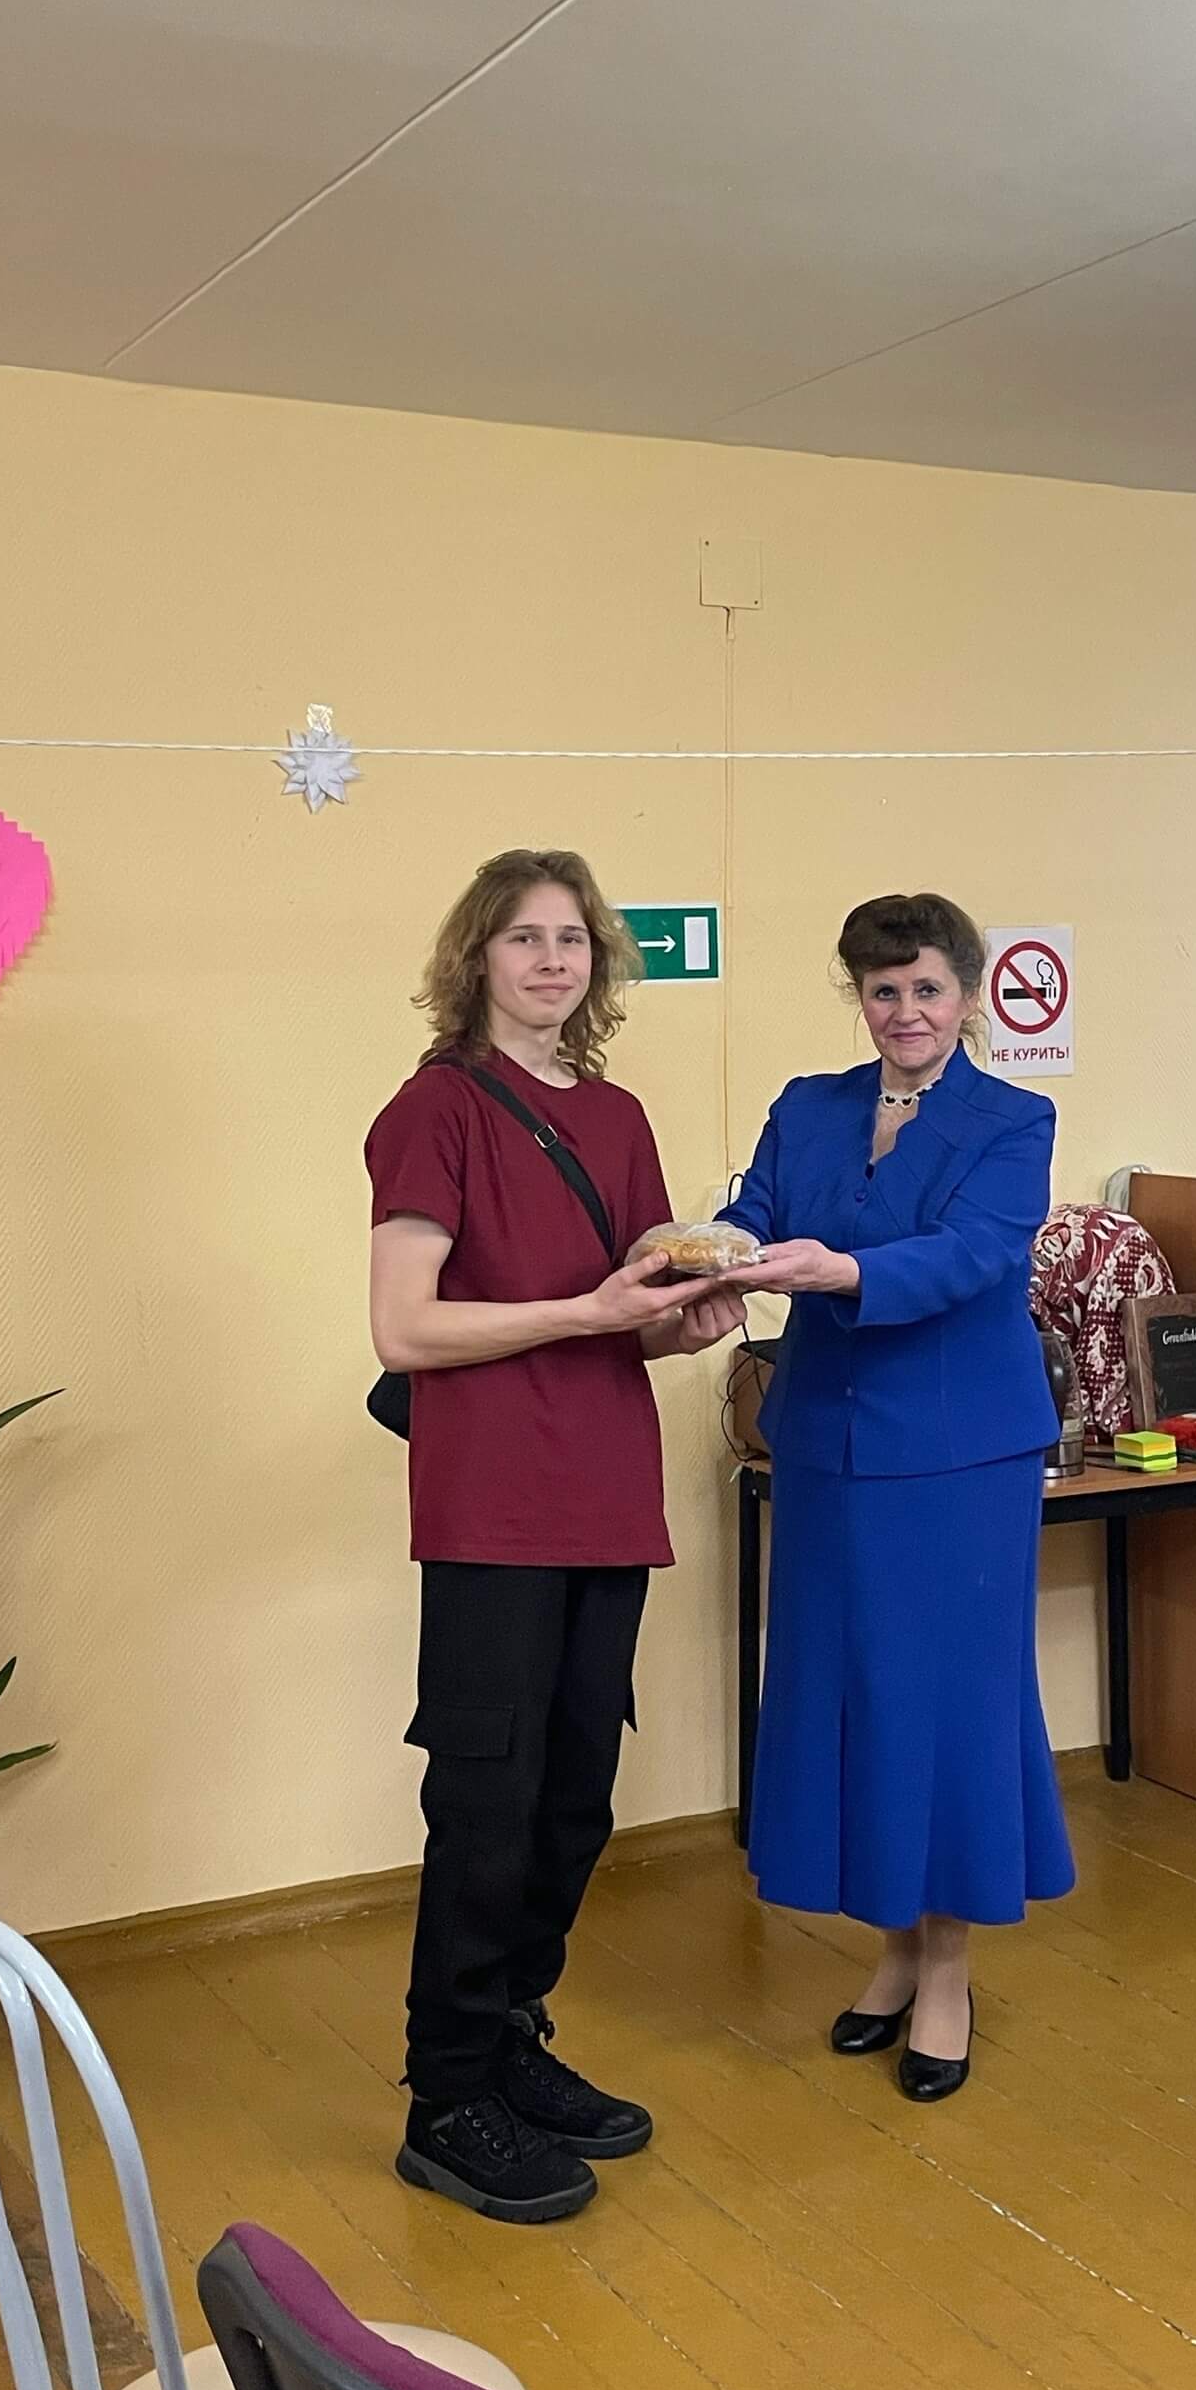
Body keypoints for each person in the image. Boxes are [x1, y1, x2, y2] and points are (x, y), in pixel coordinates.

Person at [366, 849, 742, 2223]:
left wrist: (687, 1319)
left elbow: (630, 1312)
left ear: (599, 961)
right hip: (490, 1506)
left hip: (604, 1497)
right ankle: (446, 2097)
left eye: (572, 939)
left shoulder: (619, 1116)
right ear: (476, 956)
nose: (550, 961)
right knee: (487, 1802)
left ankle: (513, 2036)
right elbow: (404, 1327)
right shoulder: (436, 1109)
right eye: (523, 938)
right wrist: (589, 1314)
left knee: (576, 1794)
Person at [719, 892, 1074, 2101]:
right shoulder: (807, 1107)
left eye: (926, 989)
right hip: (828, 1440)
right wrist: (712, 1252)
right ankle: (894, 1947)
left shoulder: (1012, 1119)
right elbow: (757, 1213)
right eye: (883, 991)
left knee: (951, 1704)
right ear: (859, 998)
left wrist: (839, 1270)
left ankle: (948, 1972)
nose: (905, 1011)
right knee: (859, 1693)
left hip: (962, 1454)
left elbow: (973, 1254)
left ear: (966, 997)